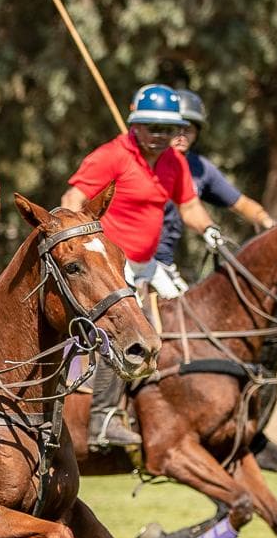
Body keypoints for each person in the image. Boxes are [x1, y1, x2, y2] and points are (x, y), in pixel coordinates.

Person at [59, 83, 224, 447]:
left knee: (190, 324)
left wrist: (211, 231)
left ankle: (172, 408)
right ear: (135, 125)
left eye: (169, 130)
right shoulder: (111, 156)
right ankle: (102, 418)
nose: (161, 136)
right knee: (125, 328)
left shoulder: (174, 163)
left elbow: (190, 206)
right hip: (114, 266)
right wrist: (79, 239)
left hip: (151, 265)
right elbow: (74, 197)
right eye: (153, 128)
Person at [152, 88, 274, 296]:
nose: (182, 136)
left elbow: (241, 203)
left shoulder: (200, 168)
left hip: (164, 262)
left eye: (189, 129)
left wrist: (270, 223)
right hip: (129, 255)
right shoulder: (146, 159)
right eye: (176, 128)